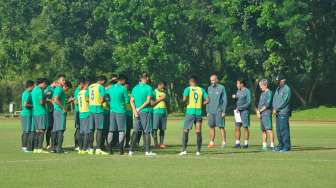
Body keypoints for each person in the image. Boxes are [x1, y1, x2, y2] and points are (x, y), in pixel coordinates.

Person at [179, 76, 209, 156]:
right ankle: (198, 151)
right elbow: (207, 100)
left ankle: (184, 150)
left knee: (186, 130)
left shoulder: (187, 89)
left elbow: (184, 99)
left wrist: (183, 102)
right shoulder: (201, 89)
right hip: (198, 112)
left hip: (190, 112)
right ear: (196, 82)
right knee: (198, 131)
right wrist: (202, 104)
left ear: (190, 82)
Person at [128, 73, 156, 156]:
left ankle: (131, 151)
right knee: (146, 131)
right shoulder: (149, 88)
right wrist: (139, 108)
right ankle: (147, 151)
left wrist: (135, 110)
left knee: (135, 131)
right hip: (145, 111)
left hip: (136, 112)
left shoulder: (135, 88)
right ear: (146, 78)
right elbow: (148, 101)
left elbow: (131, 101)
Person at [107, 75, 129, 155]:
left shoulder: (111, 88)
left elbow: (106, 97)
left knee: (111, 130)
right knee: (121, 130)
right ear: (122, 80)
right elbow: (127, 101)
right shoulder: (123, 88)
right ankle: (121, 150)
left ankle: (109, 149)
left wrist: (110, 104)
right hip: (121, 111)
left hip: (112, 111)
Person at [88, 76, 109, 155]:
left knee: (91, 129)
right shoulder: (101, 87)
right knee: (99, 129)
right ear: (102, 81)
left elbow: (87, 98)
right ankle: (98, 149)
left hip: (91, 109)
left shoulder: (90, 86)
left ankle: (90, 148)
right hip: (98, 110)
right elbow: (102, 98)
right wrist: (102, 102)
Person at [51, 76, 72, 153]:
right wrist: (63, 108)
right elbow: (55, 99)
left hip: (56, 111)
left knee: (55, 129)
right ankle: (59, 148)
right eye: (62, 80)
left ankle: (53, 148)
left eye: (64, 80)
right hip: (59, 111)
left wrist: (56, 106)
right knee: (60, 129)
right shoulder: (59, 89)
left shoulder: (58, 89)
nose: (64, 81)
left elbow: (53, 100)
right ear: (58, 80)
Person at [206, 74, 227, 148]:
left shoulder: (222, 88)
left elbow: (225, 100)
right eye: (211, 80)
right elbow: (207, 100)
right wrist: (207, 111)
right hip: (211, 111)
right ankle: (211, 142)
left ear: (217, 80)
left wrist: (223, 111)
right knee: (211, 127)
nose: (212, 82)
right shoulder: (209, 88)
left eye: (213, 80)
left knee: (221, 126)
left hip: (219, 111)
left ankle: (224, 142)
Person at [272, 75, 291, 152]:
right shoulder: (278, 88)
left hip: (283, 112)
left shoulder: (287, 89)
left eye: (279, 81)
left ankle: (286, 146)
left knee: (284, 129)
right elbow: (274, 99)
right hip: (277, 112)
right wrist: (273, 108)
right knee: (278, 130)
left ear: (283, 81)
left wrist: (277, 108)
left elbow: (285, 101)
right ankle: (280, 145)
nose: (277, 82)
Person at [232, 79, 251, 149]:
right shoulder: (238, 91)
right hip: (237, 112)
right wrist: (235, 97)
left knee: (245, 127)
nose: (237, 85)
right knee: (237, 127)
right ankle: (237, 143)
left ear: (242, 84)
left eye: (238, 84)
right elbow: (238, 99)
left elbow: (249, 103)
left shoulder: (247, 91)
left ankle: (246, 144)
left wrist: (240, 107)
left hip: (244, 111)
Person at [31, 78, 49, 153]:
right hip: (41, 112)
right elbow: (41, 102)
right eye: (45, 85)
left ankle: (36, 148)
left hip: (35, 113)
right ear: (43, 83)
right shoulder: (39, 90)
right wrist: (46, 98)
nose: (45, 86)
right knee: (42, 131)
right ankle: (40, 148)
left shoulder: (34, 90)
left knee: (37, 131)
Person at [256, 79, 274, 151]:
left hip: (266, 113)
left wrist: (259, 111)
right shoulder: (262, 93)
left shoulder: (269, 93)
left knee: (269, 129)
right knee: (263, 130)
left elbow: (267, 104)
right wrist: (258, 112)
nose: (260, 87)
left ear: (265, 85)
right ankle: (264, 145)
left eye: (261, 86)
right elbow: (260, 104)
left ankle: (272, 145)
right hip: (261, 114)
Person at [152, 81, 168, 149]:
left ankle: (161, 143)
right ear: (159, 85)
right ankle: (156, 144)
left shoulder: (164, 93)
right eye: (162, 87)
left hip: (163, 112)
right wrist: (160, 99)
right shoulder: (154, 92)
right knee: (155, 129)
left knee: (162, 129)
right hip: (156, 112)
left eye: (164, 88)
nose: (163, 89)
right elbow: (152, 103)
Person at [20, 80, 34, 152]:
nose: (34, 87)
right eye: (33, 86)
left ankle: (26, 146)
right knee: (26, 131)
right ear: (30, 86)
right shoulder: (27, 93)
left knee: (27, 131)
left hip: (28, 114)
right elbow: (25, 105)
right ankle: (24, 147)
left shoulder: (27, 93)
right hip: (26, 114)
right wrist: (33, 105)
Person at [77, 79, 90, 154]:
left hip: (81, 113)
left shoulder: (79, 93)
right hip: (86, 112)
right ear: (85, 85)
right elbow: (87, 100)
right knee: (87, 132)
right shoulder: (86, 92)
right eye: (88, 85)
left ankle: (80, 148)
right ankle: (85, 148)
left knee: (82, 132)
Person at [44, 81, 57, 149]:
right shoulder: (48, 89)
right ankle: (48, 144)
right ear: (54, 82)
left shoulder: (55, 89)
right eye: (56, 83)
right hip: (49, 110)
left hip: (54, 110)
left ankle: (54, 143)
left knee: (53, 127)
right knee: (49, 127)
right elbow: (45, 98)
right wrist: (51, 100)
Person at [73, 78, 84, 150]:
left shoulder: (79, 90)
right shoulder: (77, 90)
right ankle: (77, 145)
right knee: (78, 128)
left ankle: (79, 144)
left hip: (80, 111)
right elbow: (76, 102)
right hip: (78, 111)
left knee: (79, 128)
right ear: (81, 83)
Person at [124, 81, 133, 148]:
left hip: (129, 114)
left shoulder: (130, 93)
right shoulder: (122, 92)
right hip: (123, 113)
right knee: (121, 130)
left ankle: (127, 143)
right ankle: (119, 143)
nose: (127, 87)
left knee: (128, 130)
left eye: (128, 85)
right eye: (125, 85)